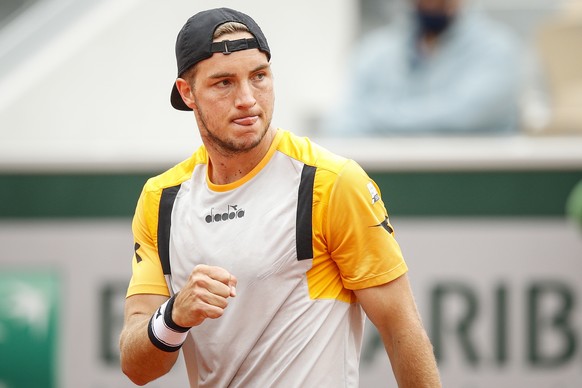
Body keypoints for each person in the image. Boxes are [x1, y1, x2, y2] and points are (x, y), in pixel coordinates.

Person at [119, 7, 441, 387]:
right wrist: (173, 316)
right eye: (224, 83)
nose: (247, 99)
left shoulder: (331, 181)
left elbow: (400, 326)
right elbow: (137, 367)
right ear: (187, 93)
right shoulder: (162, 199)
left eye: (259, 77)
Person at [321, 0, 522, 136]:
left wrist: (376, 117)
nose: (431, 3)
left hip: (480, 184)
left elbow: (468, 115)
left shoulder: (497, 49)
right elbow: (342, 124)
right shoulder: (376, 52)